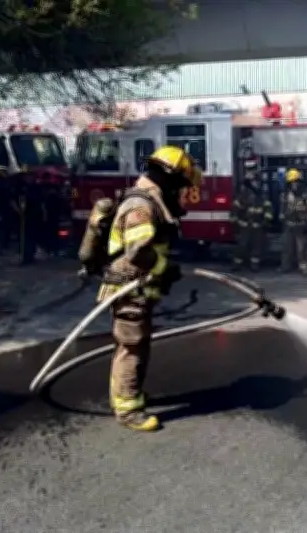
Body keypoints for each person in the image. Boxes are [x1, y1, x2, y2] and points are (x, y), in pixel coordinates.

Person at [96, 145, 201, 432]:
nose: (180, 191)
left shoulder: (149, 199)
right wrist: (164, 268)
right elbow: (138, 252)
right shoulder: (142, 206)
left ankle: (128, 394)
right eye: (180, 184)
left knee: (134, 345)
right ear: (168, 176)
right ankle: (128, 409)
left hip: (136, 288)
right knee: (132, 347)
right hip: (129, 288)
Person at [230, 173, 273, 272]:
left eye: (256, 181)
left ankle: (254, 265)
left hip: (257, 226)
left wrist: (264, 222)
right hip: (244, 226)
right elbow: (234, 210)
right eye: (253, 181)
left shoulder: (262, 196)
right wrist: (238, 223)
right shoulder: (242, 195)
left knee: (257, 247)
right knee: (241, 246)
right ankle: (237, 264)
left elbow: (268, 210)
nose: (256, 183)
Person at [278, 168, 307, 275]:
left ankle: (303, 268)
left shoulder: (306, 194)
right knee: (286, 248)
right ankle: (285, 267)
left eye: (296, 181)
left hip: (301, 225)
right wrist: (281, 215)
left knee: (302, 249)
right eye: (291, 182)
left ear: (300, 182)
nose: (294, 184)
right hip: (288, 225)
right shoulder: (285, 195)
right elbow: (282, 207)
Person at [11, 173, 44, 265]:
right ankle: (24, 256)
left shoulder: (36, 187)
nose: (30, 178)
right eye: (28, 176)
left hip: (34, 215)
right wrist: (18, 211)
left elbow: (40, 201)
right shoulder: (20, 187)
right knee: (23, 236)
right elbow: (12, 200)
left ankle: (31, 255)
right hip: (23, 216)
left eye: (31, 176)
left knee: (32, 236)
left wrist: (43, 213)